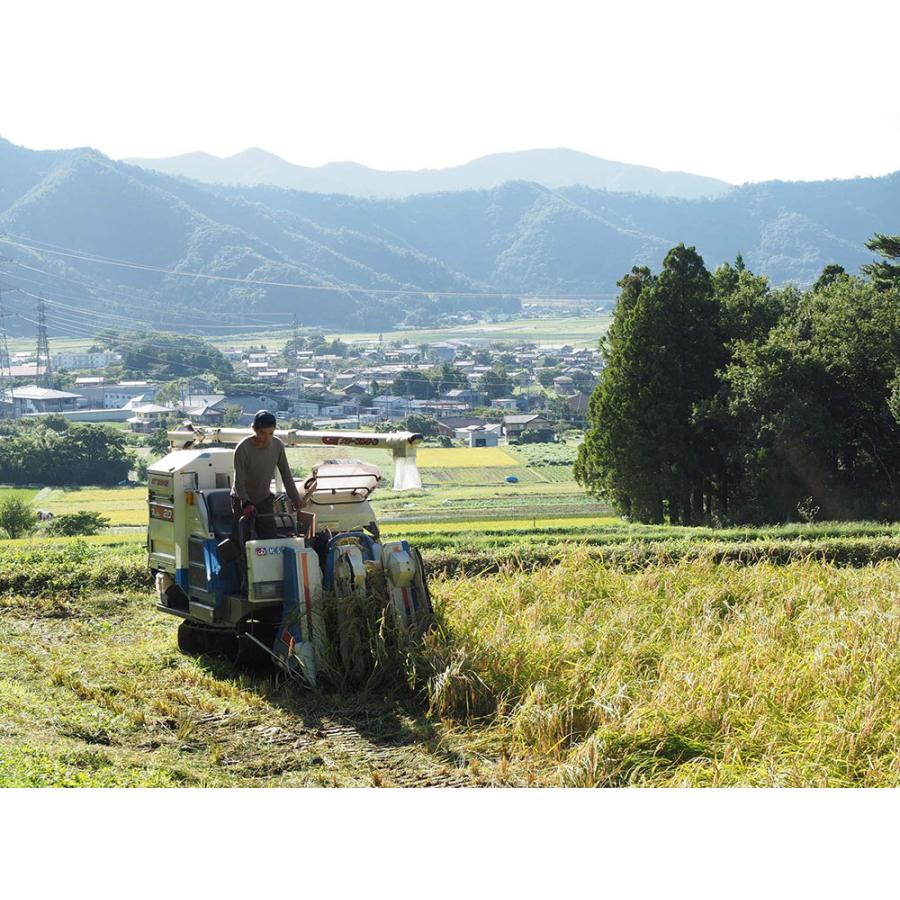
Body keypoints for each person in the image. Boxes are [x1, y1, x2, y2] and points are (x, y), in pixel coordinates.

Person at [231, 410, 315, 540]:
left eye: (271, 433)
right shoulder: (243, 448)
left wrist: (295, 499)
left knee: (270, 537)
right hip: (242, 499)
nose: (267, 438)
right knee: (242, 539)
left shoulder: (277, 445)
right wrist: (246, 503)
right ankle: (241, 560)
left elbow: (286, 474)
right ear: (254, 429)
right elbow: (239, 481)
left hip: (263, 498)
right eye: (262, 433)